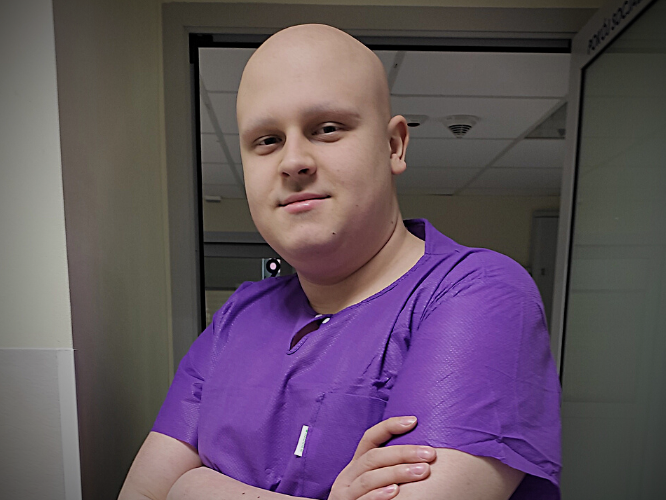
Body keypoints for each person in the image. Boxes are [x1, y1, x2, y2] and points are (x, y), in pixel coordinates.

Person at [119, 24, 561, 500]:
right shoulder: (237, 317)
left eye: (327, 128)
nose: (293, 161)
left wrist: (194, 487)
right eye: (266, 140)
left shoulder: (481, 292)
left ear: (393, 145)